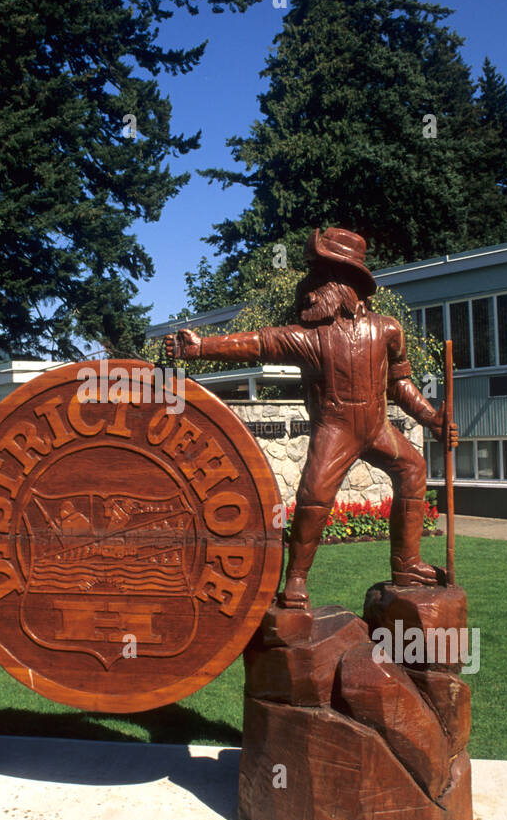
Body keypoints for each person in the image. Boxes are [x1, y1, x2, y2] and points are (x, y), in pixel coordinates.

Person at [166, 227, 458, 608]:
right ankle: (297, 580)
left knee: (413, 468)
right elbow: (258, 342)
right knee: (314, 497)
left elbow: (399, 385)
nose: (309, 288)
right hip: (335, 430)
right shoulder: (309, 337)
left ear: (345, 284)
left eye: (319, 278)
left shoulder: (387, 330)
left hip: (377, 428)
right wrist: (201, 347)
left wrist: (433, 419)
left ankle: (407, 565)